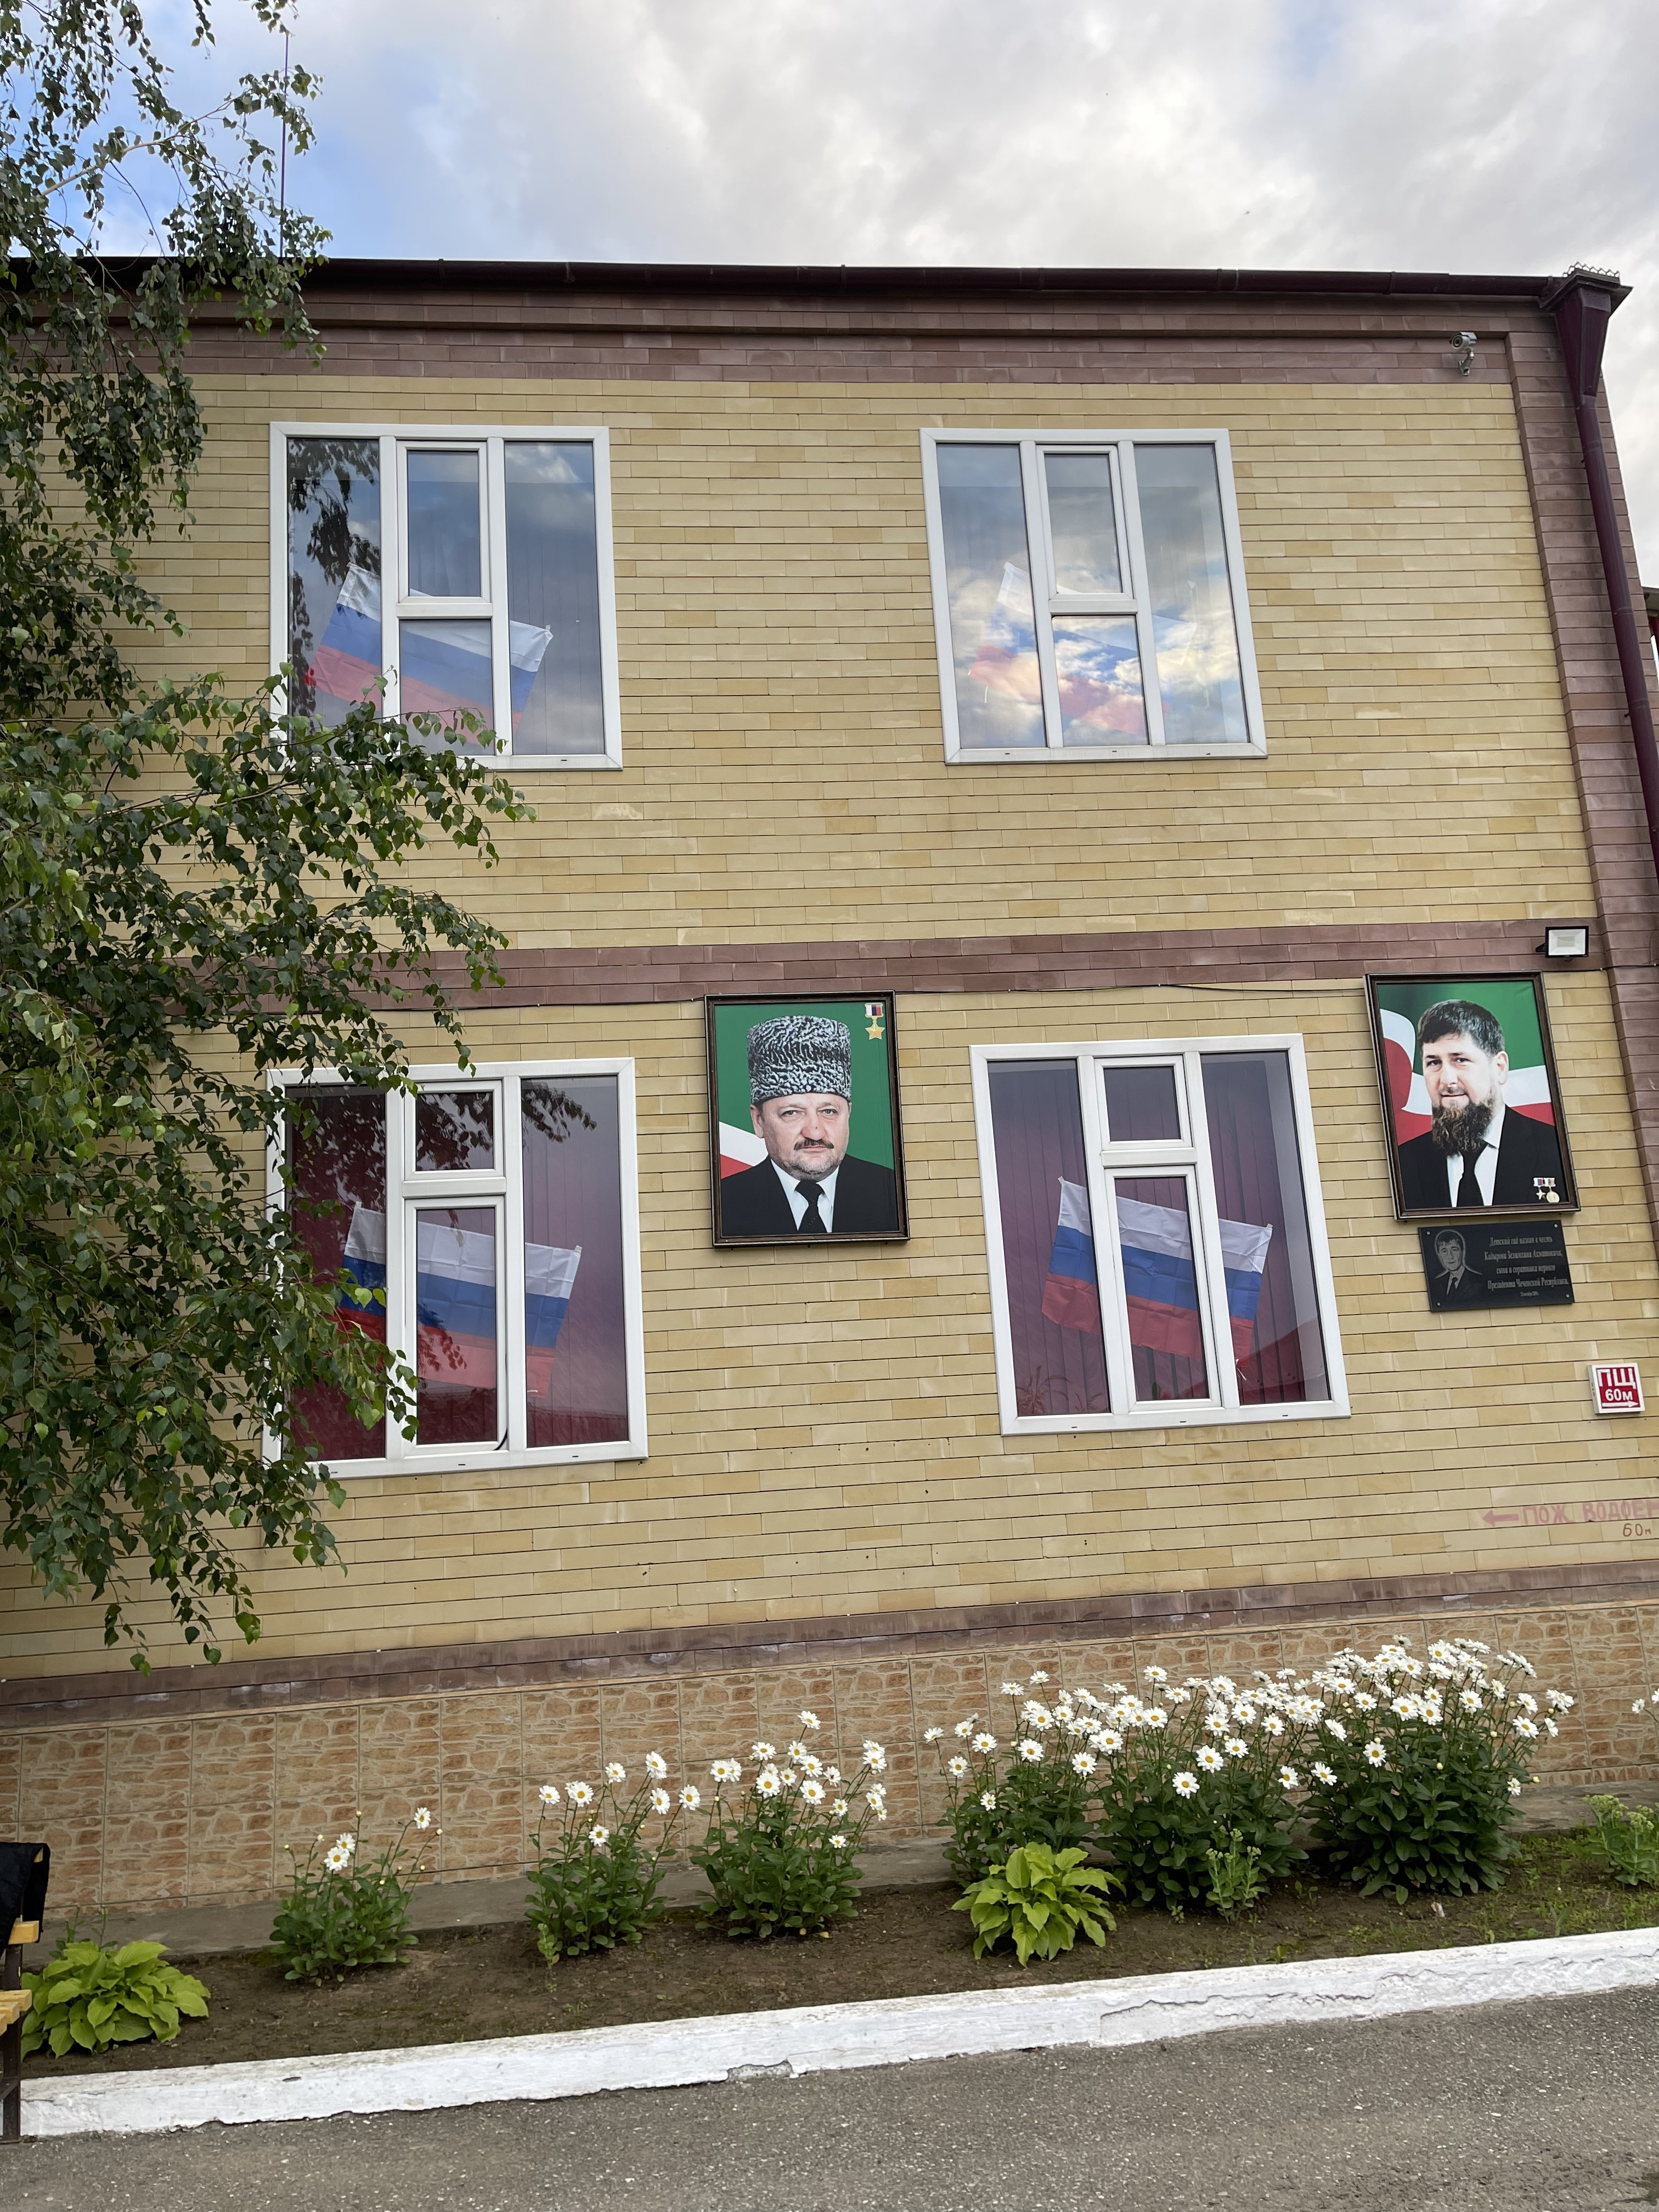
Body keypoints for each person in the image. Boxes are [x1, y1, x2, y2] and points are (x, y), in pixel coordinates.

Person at [718, 1014, 901, 1238]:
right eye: (792, 1113)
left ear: (848, 1115)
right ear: (759, 1121)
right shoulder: (724, 1204)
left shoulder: (893, 1193)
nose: (814, 1132)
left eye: (828, 1111)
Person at [1395, 998, 1566, 1211]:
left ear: (1500, 1067)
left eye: (1460, 1060)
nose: (1447, 1080)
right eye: (1434, 1063)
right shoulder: (1404, 1162)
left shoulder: (1554, 1148)